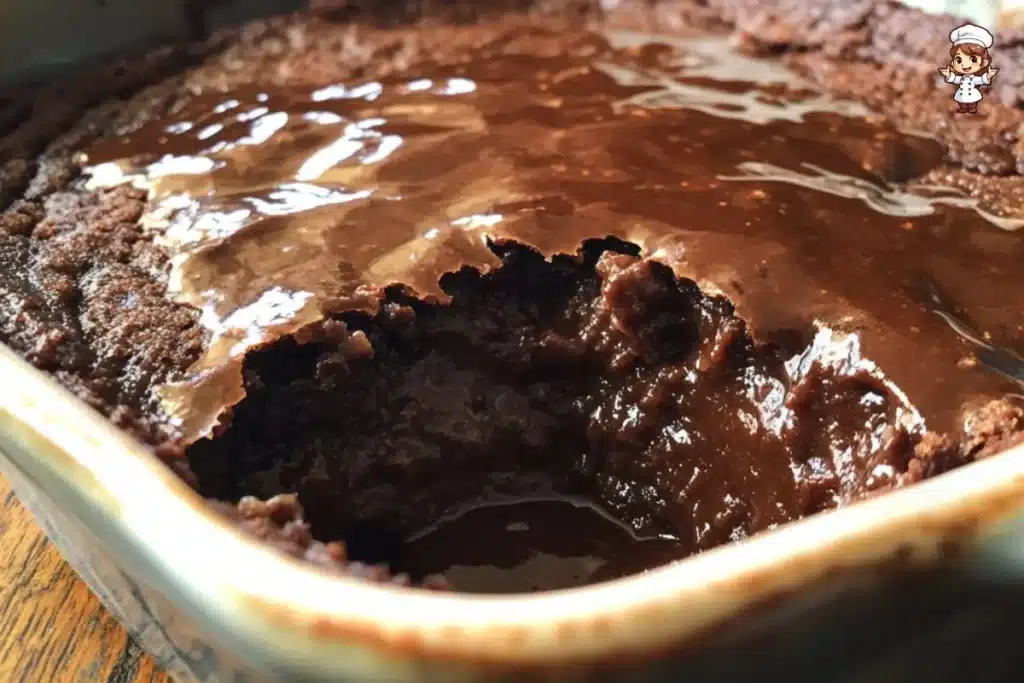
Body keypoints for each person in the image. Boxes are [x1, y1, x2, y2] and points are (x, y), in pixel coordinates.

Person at [939, 23, 999, 115]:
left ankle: (972, 108)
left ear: (984, 63)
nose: (965, 65)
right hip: (962, 94)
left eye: (973, 59)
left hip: (972, 95)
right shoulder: (961, 78)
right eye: (959, 60)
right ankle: (963, 108)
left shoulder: (974, 78)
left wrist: (988, 76)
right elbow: (956, 79)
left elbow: (980, 80)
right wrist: (949, 75)